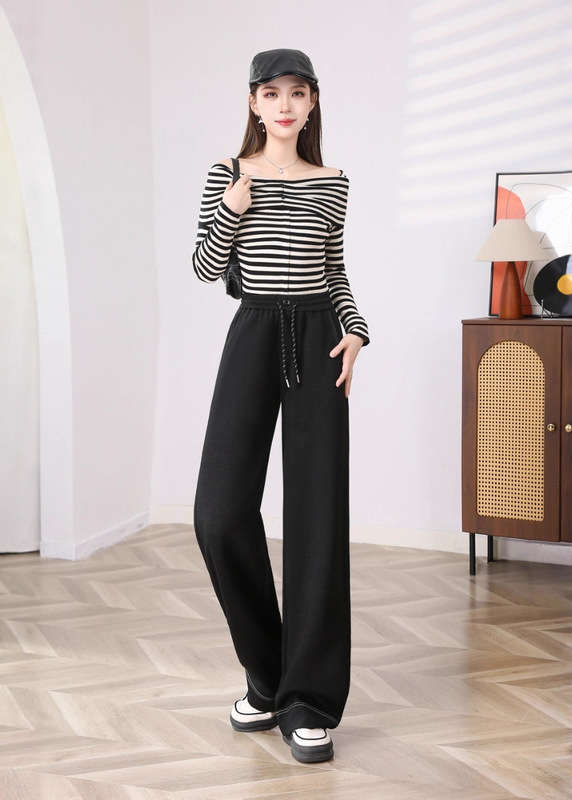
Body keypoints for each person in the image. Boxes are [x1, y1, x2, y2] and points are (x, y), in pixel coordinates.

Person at [192, 48, 369, 764]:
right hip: (255, 331)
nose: (286, 105)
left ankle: (309, 700)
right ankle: (268, 676)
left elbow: (334, 269)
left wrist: (356, 328)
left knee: (316, 518)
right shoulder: (228, 174)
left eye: (298, 92)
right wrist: (234, 206)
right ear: (254, 103)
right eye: (272, 93)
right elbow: (206, 267)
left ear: (313, 101)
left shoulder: (334, 182)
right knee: (219, 512)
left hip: (321, 338)